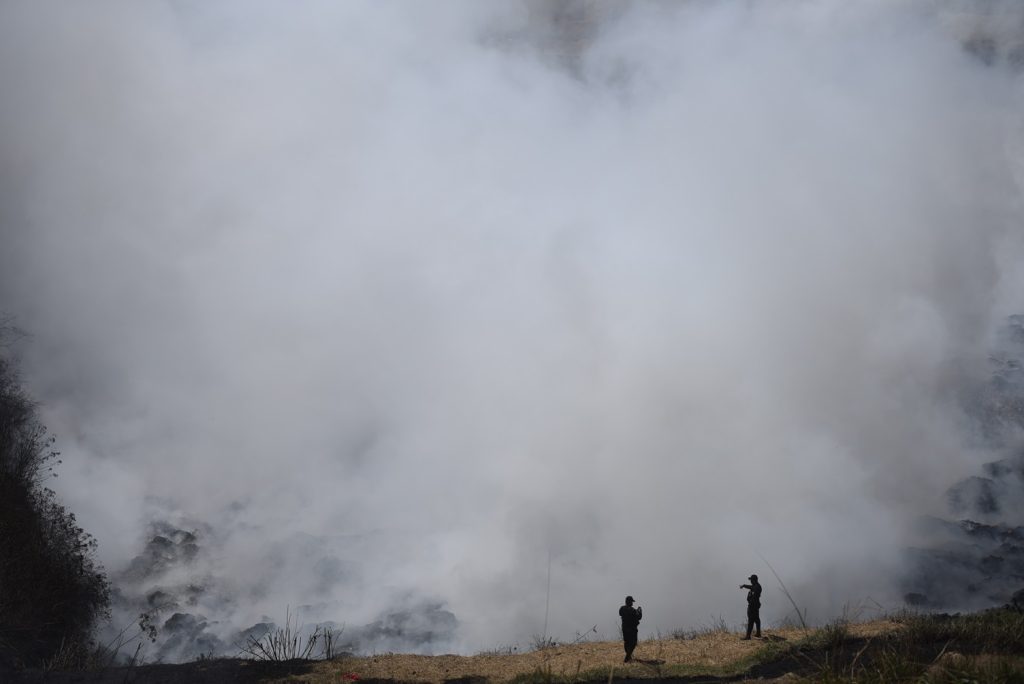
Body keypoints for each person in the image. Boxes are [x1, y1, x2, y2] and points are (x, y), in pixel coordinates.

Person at [618, 595, 642, 662]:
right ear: (629, 602)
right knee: (633, 643)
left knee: (627, 643)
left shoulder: (622, 608)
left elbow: (620, 613)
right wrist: (640, 610)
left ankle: (628, 657)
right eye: (631, 602)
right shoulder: (632, 610)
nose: (632, 603)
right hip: (632, 630)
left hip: (625, 629)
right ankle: (627, 658)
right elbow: (639, 617)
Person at [740, 574, 762, 639]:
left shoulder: (757, 587)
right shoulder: (755, 586)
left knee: (751, 621)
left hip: (753, 607)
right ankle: (758, 634)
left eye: (751, 580)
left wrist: (750, 603)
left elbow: (754, 597)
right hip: (754, 606)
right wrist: (744, 585)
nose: (750, 581)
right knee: (756, 620)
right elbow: (750, 587)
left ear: (754, 580)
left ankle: (748, 636)